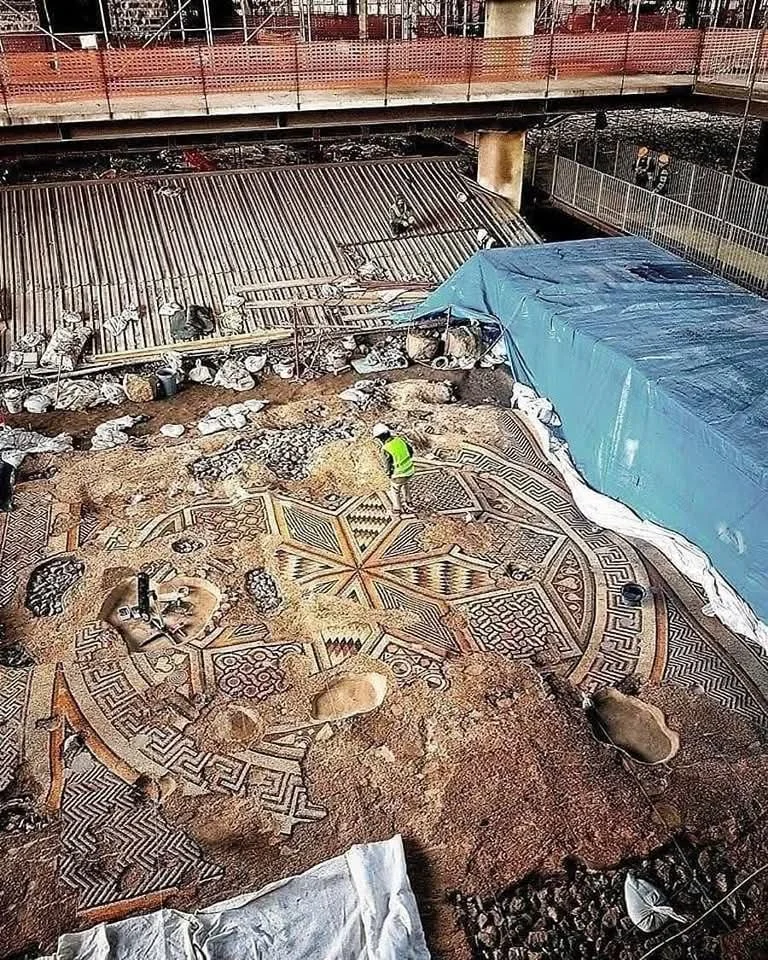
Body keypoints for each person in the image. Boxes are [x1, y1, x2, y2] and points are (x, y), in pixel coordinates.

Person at [372, 423, 415, 517]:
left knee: (395, 490)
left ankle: (397, 509)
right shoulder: (400, 440)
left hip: (399, 474)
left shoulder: (386, 448)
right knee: (405, 484)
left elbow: (387, 465)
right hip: (410, 470)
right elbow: (411, 452)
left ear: (380, 438)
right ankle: (409, 502)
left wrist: (389, 475)